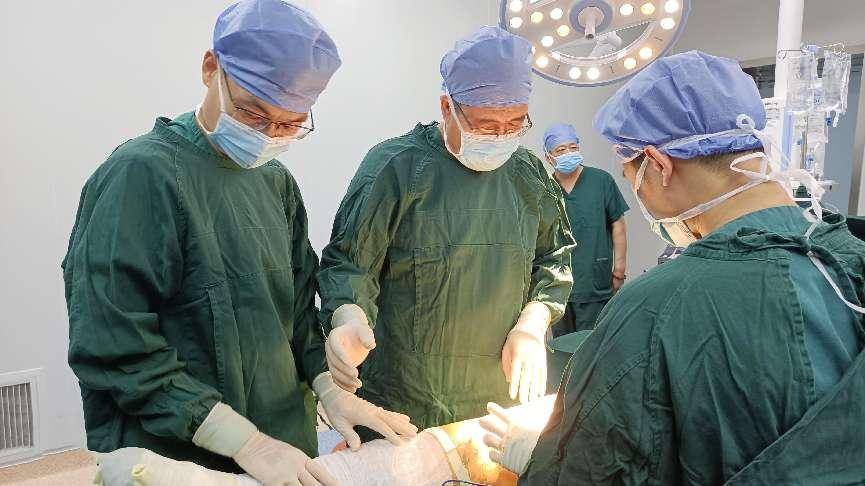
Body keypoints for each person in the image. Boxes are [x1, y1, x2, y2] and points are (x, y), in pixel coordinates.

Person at [63, 1, 415, 485]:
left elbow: (295, 313)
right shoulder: (140, 176)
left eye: (289, 124)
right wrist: (242, 441)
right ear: (211, 69)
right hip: (179, 459)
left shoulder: (275, 182)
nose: (267, 134)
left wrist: (329, 388)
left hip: (283, 445)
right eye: (252, 111)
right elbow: (113, 343)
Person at [480, 51, 865, 484]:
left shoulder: (654, 311)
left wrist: (543, 457)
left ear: (658, 166)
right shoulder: (850, 255)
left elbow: (591, 471)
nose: (637, 193)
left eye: (632, 177)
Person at [317, 26, 575, 434]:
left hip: (496, 397)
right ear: (446, 107)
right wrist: (348, 316)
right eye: (486, 124)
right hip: (403, 400)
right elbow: (350, 264)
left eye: (515, 123)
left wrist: (533, 320)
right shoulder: (396, 168)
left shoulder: (527, 174)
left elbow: (553, 257)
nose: (501, 136)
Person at [542, 123, 628, 336]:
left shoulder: (601, 181)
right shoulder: (544, 188)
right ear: (548, 157)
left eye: (573, 147)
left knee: (591, 345)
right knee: (562, 347)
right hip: (558, 286)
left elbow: (618, 225)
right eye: (560, 150)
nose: (568, 153)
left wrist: (619, 271)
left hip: (595, 281)